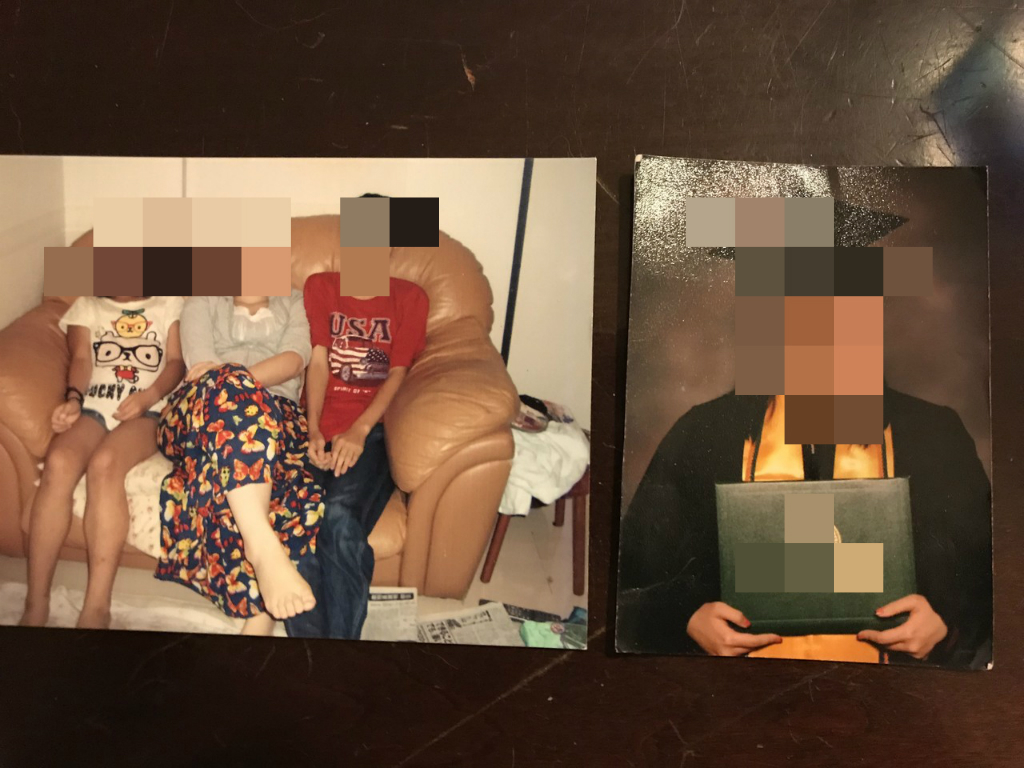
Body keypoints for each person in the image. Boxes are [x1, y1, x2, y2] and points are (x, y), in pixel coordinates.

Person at [617, 388, 993, 669]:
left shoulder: (933, 433)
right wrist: (685, 617)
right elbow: (630, 582)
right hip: (740, 702)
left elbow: (987, 581)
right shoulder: (704, 432)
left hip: (893, 704)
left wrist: (945, 623)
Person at [155, 293, 324, 636]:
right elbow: (202, 366)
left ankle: (259, 618)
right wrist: (234, 386)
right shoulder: (202, 300)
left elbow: (295, 360)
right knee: (233, 413)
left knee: (278, 478)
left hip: (278, 414)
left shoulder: (293, 299)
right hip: (199, 412)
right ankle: (260, 546)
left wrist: (235, 382)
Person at [20, 295, 184, 629]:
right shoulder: (86, 306)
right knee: (59, 462)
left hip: (150, 410)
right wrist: (72, 400)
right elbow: (81, 359)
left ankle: (97, 607)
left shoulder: (170, 303)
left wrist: (148, 397)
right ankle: (36, 602)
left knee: (105, 464)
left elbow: (176, 363)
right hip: (94, 406)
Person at [285, 271, 428, 639]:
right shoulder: (322, 286)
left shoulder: (409, 297)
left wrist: (360, 431)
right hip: (316, 426)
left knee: (337, 516)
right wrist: (313, 430)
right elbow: (318, 363)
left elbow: (397, 374)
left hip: (373, 431)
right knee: (297, 520)